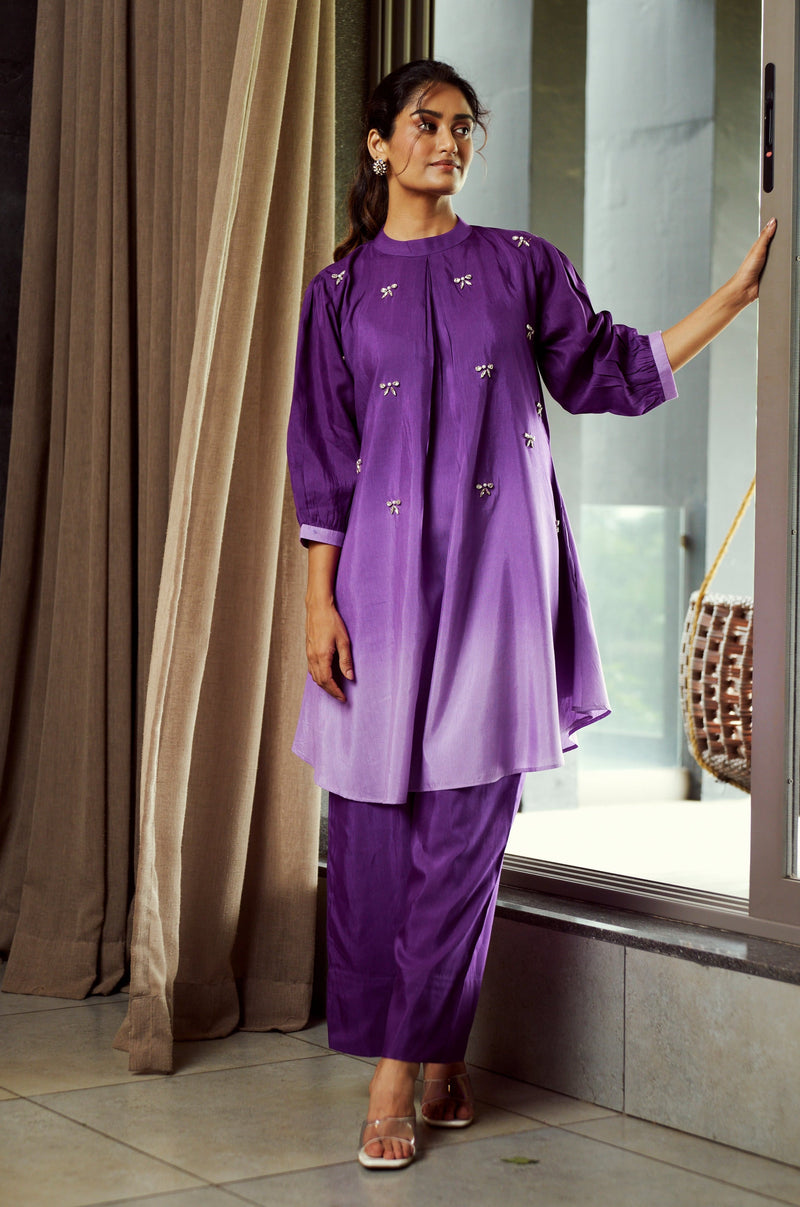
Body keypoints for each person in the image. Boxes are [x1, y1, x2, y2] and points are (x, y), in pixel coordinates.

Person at [286, 59, 775, 1170]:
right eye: (424, 123)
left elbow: (605, 368)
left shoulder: (517, 266)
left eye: (464, 126)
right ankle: (437, 1048)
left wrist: (727, 300)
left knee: (462, 838)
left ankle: (394, 1075)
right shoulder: (337, 292)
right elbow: (321, 460)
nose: (446, 141)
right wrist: (315, 606)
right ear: (377, 145)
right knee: (372, 839)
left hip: (501, 585)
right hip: (374, 592)